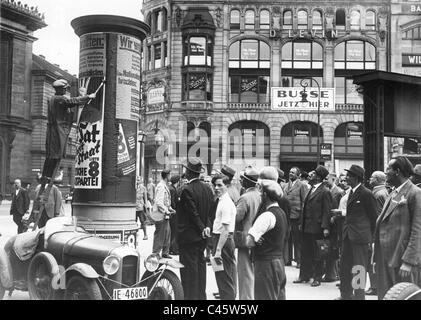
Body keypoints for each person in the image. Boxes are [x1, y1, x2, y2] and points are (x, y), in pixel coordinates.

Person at [373, 156, 421, 300]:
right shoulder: (393, 193)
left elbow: (418, 229)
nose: (386, 172)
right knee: (387, 295)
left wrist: (409, 261)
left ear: (397, 171)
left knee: (403, 295)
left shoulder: (415, 193)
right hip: (386, 258)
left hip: (402, 261)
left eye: (388, 168)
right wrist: (376, 256)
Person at [41, 79, 95, 183]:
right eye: (65, 89)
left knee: (52, 155)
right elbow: (72, 101)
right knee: (55, 154)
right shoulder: (59, 99)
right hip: (57, 130)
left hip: (54, 130)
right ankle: (48, 176)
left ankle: (46, 176)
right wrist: (88, 97)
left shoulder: (53, 98)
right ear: (61, 89)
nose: (65, 91)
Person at [336, 165, 377, 300]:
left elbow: (373, 218)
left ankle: (359, 296)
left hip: (360, 238)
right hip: (349, 236)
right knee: (345, 266)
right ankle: (345, 295)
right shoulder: (352, 192)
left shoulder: (366, 194)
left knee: (358, 269)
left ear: (356, 178)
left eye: (349, 175)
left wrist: (371, 240)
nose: (346, 178)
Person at [177, 158, 214, 300]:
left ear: (188, 172)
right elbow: (210, 212)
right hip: (202, 238)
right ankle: (200, 296)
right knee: (200, 267)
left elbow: (193, 214)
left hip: (189, 237)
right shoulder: (207, 189)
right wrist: (206, 229)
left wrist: (201, 228)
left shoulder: (187, 190)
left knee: (188, 272)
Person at [246, 179, 288, 300]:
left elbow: (249, 241)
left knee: (264, 296)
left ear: (265, 195)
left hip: (265, 265)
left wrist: (253, 237)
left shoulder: (266, 215)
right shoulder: (281, 213)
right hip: (279, 262)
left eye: (261, 193)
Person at [294, 165, 332, 287]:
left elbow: (327, 210)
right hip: (307, 227)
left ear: (319, 177)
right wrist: (301, 223)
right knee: (306, 252)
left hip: (317, 228)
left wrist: (326, 227)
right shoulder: (311, 189)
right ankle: (304, 276)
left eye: (314, 174)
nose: (310, 175)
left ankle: (317, 277)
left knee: (318, 254)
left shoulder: (325, 191)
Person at [235, 167, 261, 300]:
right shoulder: (261, 196)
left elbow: (237, 218)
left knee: (245, 274)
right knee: (255, 273)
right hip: (258, 239)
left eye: (243, 180)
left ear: (247, 182)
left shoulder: (244, 198)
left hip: (245, 240)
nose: (241, 182)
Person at [212, 174, 237, 300]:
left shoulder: (226, 203)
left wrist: (218, 250)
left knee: (225, 276)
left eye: (220, 185)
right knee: (222, 274)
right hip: (221, 240)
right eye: (215, 185)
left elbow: (226, 230)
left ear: (227, 186)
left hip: (223, 241)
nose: (216, 188)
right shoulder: (222, 200)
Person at [366, 171, 389, 295]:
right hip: (376, 231)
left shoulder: (378, 194)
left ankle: (374, 286)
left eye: (372, 177)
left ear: (378, 179)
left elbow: (378, 215)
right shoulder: (382, 192)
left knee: (372, 259)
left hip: (374, 232)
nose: (370, 179)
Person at [284, 167, 308, 269]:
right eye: (290, 172)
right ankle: (288, 259)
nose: (290, 174)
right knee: (288, 238)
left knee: (297, 240)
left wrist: (302, 218)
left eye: (293, 173)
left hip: (297, 216)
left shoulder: (302, 185)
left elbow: (305, 202)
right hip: (287, 215)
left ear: (298, 175)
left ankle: (299, 260)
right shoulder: (286, 185)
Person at [323, 173, 344, 282]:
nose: (325, 180)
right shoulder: (327, 191)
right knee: (327, 249)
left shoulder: (339, 192)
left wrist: (334, 218)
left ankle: (336, 274)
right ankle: (329, 274)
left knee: (335, 249)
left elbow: (341, 208)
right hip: (328, 224)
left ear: (334, 179)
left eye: (327, 179)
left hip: (335, 225)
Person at [152, 169, 175, 258]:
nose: (170, 177)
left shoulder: (164, 186)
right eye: (170, 175)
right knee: (160, 234)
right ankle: (156, 253)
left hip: (164, 214)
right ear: (167, 176)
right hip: (160, 214)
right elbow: (159, 202)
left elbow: (165, 202)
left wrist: (170, 209)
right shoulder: (161, 186)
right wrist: (167, 211)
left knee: (167, 233)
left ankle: (165, 252)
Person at [169, 175, 180, 255]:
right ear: (178, 181)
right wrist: (175, 209)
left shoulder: (171, 188)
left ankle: (171, 248)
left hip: (172, 212)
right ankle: (174, 249)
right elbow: (173, 201)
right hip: (174, 213)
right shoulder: (173, 189)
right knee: (174, 231)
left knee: (172, 231)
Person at [136, 176, 149, 240]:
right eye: (137, 180)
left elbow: (145, 198)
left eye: (138, 180)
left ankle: (145, 235)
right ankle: (135, 234)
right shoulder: (133, 187)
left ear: (141, 181)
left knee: (142, 221)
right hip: (134, 208)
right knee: (134, 222)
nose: (137, 181)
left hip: (140, 207)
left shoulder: (143, 188)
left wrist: (146, 206)